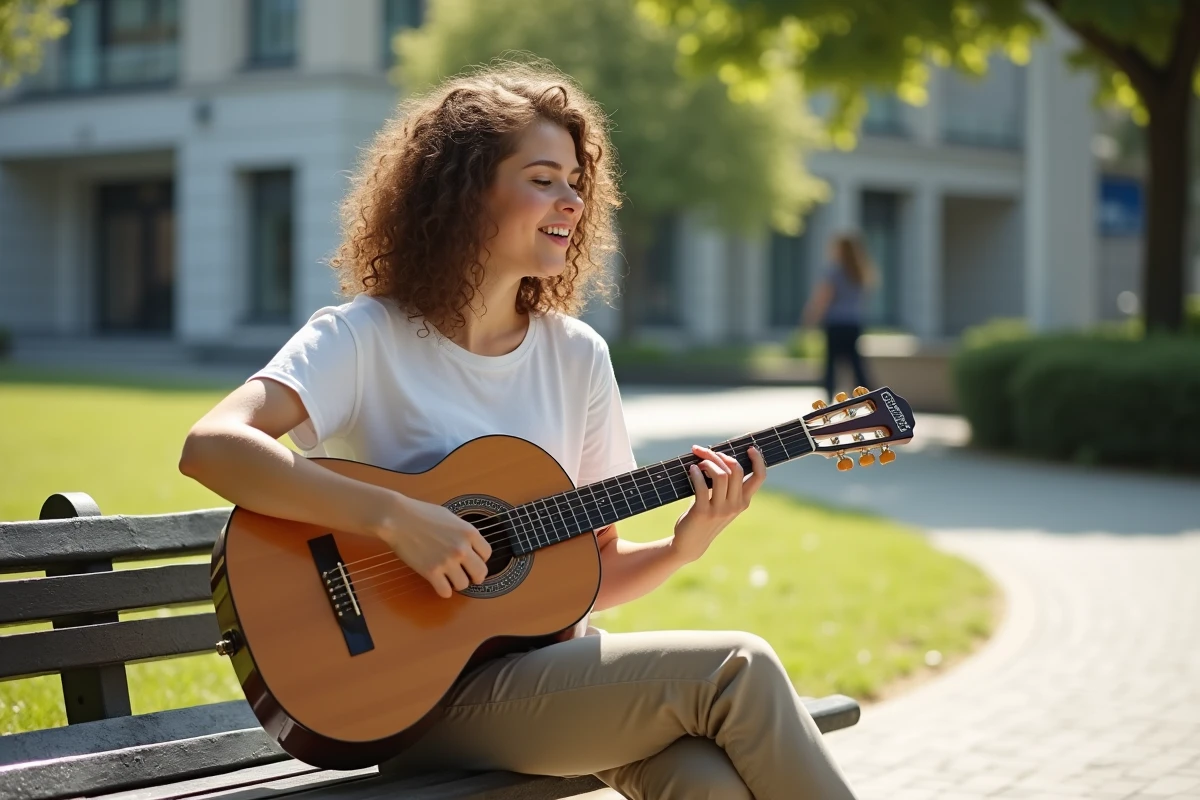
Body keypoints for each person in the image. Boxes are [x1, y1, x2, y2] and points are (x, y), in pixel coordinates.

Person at [178, 62, 858, 800]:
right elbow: (211, 445)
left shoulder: (576, 356)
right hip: (415, 699)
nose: (571, 200)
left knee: (707, 783)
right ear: (465, 192)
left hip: (551, 684)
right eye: (543, 178)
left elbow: (592, 570)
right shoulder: (366, 337)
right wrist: (397, 518)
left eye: (575, 181)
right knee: (738, 669)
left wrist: (683, 545)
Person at [801, 233, 877, 403]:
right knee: (856, 363)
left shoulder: (834, 272)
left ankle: (828, 401)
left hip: (836, 323)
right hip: (853, 323)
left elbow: (823, 298)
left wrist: (810, 318)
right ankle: (869, 397)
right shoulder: (861, 272)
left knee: (831, 365)